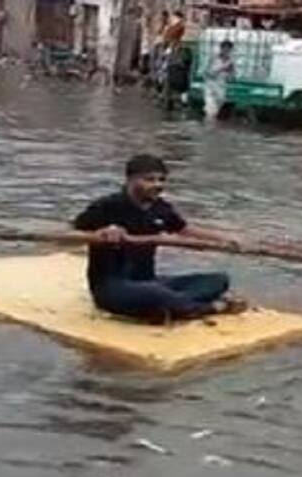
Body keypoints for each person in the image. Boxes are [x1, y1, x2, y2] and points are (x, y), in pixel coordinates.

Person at [73, 154, 248, 323]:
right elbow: (68, 234)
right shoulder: (107, 206)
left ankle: (170, 306)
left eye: (161, 180)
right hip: (112, 287)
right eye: (149, 180)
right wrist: (101, 233)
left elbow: (185, 229)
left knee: (218, 280)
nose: (157, 185)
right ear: (130, 180)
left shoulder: (161, 208)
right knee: (155, 294)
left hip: (149, 280)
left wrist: (226, 239)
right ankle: (211, 308)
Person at [204, 39, 235, 120]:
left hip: (221, 87)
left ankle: (210, 127)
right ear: (221, 48)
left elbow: (232, 76)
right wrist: (222, 68)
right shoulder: (214, 58)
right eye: (225, 48)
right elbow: (208, 72)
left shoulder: (231, 61)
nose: (226, 51)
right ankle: (208, 125)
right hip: (211, 86)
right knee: (210, 111)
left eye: (228, 49)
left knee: (216, 110)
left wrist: (230, 74)